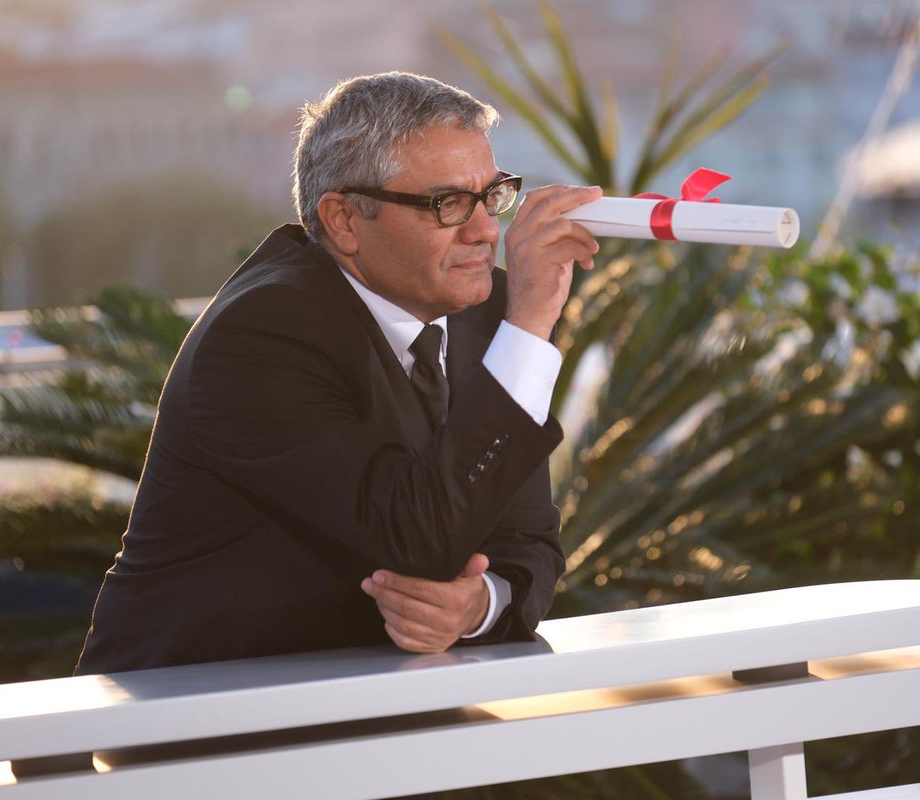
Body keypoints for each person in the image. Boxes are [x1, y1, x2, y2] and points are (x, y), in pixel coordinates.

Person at [75, 72, 601, 673]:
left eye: (491, 195)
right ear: (345, 221)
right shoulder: (260, 335)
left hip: (381, 713)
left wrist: (476, 606)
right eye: (448, 204)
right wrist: (531, 321)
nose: (486, 231)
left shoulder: (487, 317)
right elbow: (416, 532)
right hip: (190, 727)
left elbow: (528, 542)